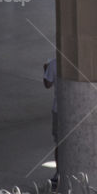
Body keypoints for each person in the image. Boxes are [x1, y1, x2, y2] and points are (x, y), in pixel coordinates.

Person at [42, 57, 59, 185]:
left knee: (59, 143)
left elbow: (47, 84)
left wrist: (45, 70)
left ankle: (58, 172)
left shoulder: (54, 64)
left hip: (58, 109)